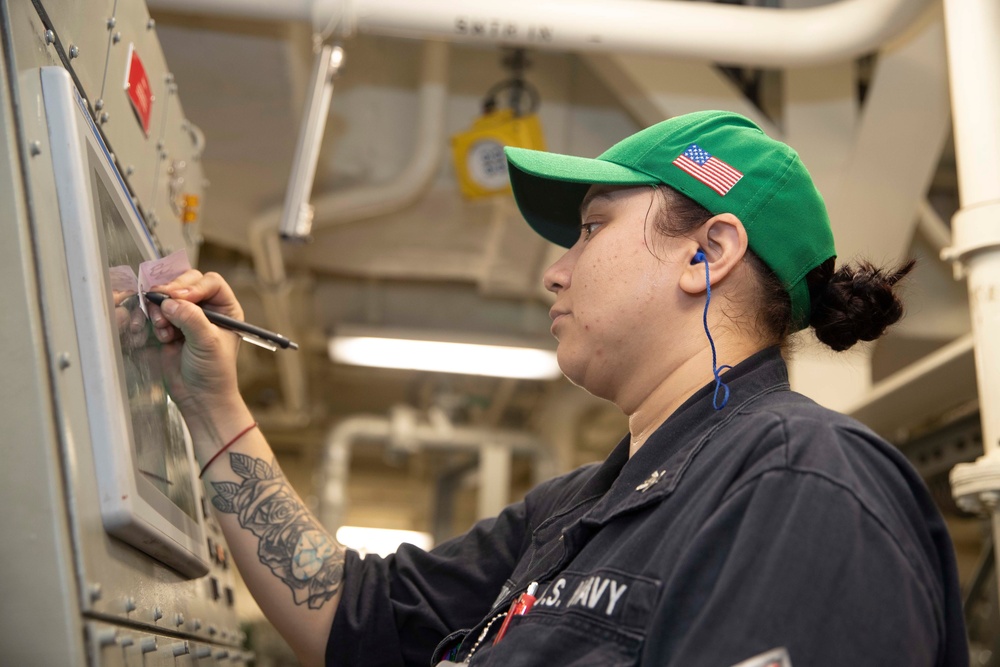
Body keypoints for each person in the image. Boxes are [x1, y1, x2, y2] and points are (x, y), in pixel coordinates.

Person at [149, 110, 969, 667]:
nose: (555, 269)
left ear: (708, 251)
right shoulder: (574, 511)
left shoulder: (800, 483)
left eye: (592, 227)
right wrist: (214, 403)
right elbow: (352, 615)